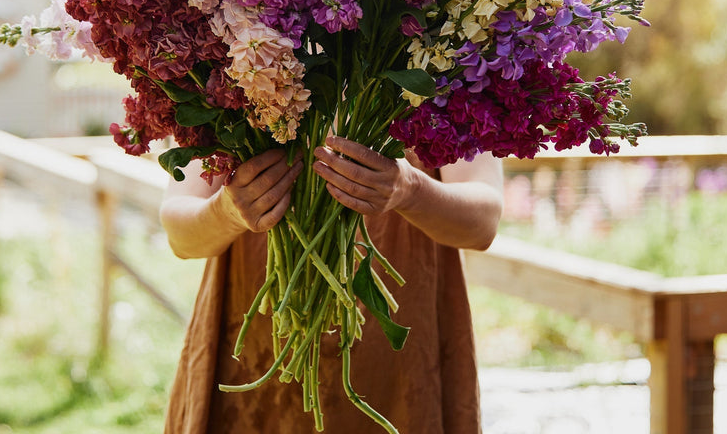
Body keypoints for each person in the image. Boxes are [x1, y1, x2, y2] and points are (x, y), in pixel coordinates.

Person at [160, 135, 504, 434]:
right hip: (253, 354)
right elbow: (180, 234)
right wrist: (227, 212)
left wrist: (411, 190)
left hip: (399, 369)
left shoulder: (447, 77)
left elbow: (484, 222)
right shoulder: (221, 77)